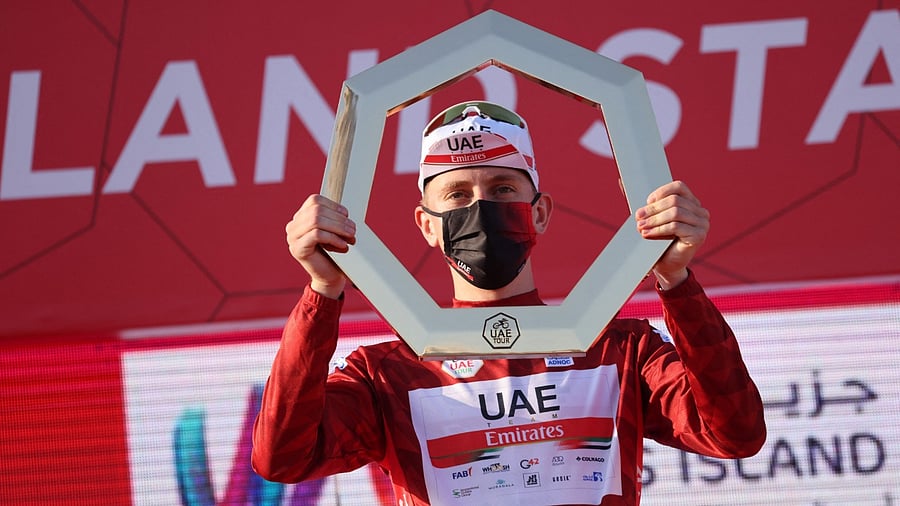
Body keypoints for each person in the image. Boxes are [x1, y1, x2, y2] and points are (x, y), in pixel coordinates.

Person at [252, 101, 766, 505]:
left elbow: (734, 433)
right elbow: (282, 458)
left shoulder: (619, 350)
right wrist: (322, 292)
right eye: (457, 194)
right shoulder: (387, 374)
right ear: (427, 225)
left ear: (539, 213)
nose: (481, 207)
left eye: (501, 189)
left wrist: (675, 280)